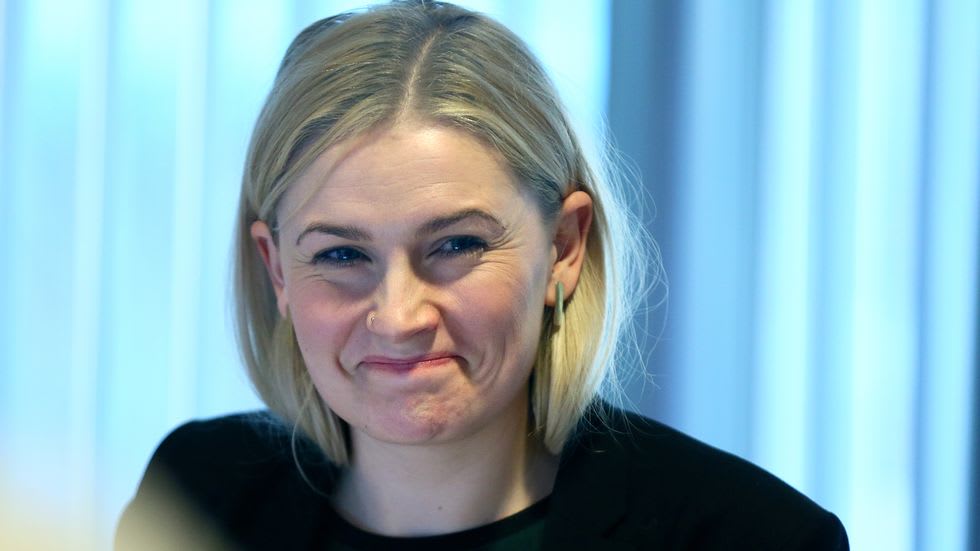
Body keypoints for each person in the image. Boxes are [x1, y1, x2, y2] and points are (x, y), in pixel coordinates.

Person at [117, 1, 848, 549]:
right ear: (277, 269)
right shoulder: (196, 495)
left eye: (456, 244)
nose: (398, 316)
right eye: (341, 255)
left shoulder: (751, 537)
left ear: (564, 246)